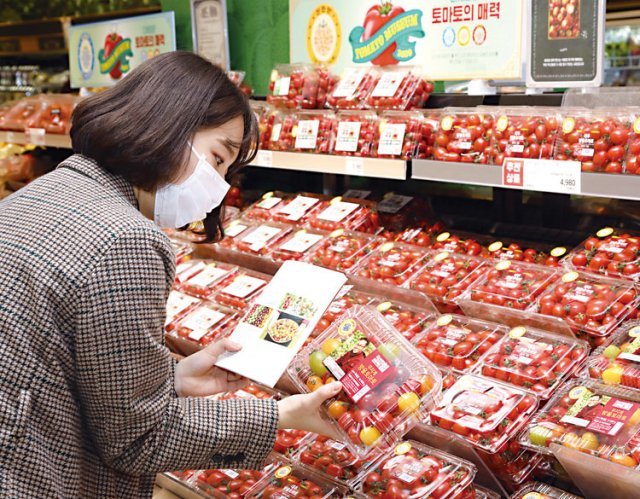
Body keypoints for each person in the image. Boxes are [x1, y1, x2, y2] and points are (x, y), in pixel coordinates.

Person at [0, 52, 341, 498]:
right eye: (218, 160)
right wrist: (283, 415)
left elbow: (58, 357)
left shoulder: (45, 190)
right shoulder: (127, 240)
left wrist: (171, 380)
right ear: (168, 124)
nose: (219, 186)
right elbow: (137, 440)